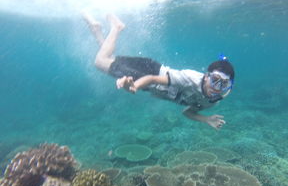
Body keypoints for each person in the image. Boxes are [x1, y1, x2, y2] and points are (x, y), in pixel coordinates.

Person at [84, 13, 235, 130]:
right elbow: (152, 79)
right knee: (101, 62)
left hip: (149, 83)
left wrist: (206, 119)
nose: (216, 87)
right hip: (150, 71)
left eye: (223, 84)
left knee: (108, 60)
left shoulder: (212, 102)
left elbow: (187, 112)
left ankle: (96, 30)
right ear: (206, 76)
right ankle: (116, 27)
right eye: (215, 79)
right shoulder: (190, 78)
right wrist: (135, 86)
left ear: (228, 87)